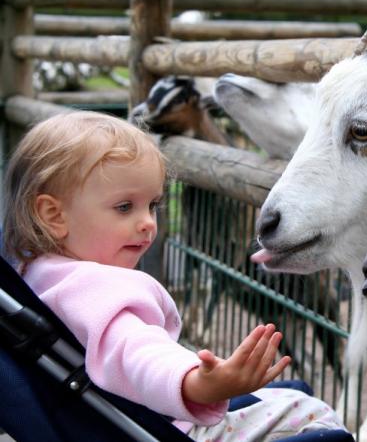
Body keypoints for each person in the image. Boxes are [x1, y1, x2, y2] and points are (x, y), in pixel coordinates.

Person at [2, 111, 347, 441]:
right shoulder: (96, 290)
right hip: (172, 427)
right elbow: (137, 352)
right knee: (310, 412)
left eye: (152, 205)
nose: (148, 223)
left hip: (114, 419)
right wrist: (197, 383)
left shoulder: (30, 273)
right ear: (53, 215)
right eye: (124, 207)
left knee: (281, 397)